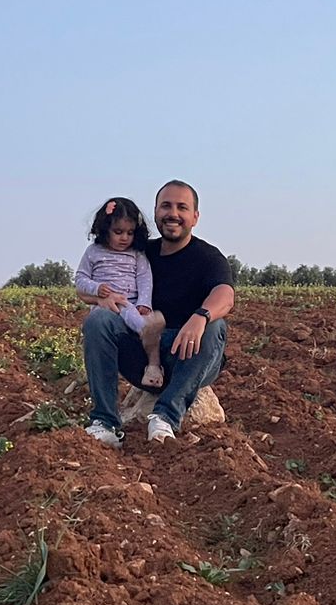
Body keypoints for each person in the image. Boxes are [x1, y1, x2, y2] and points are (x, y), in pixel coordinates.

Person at [82, 180, 234, 446]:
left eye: (182, 207)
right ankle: (105, 422)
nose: (172, 213)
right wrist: (100, 297)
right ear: (155, 212)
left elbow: (225, 295)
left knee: (214, 326)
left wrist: (200, 317)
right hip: (141, 355)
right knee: (98, 319)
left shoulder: (208, 257)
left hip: (188, 358)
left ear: (195, 217)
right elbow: (88, 282)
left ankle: (165, 416)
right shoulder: (138, 252)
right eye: (166, 206)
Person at [74, 197, 166, 390]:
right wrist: (97, 289)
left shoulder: (136, 254)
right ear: (104, 230)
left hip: (134, 303)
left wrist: (144, 303)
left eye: (130, 233)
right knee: (136, 318)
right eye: (118, 232)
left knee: (140, 320)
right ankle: (146, 334)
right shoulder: (93, 252)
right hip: (112, 305)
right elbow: (80, 280)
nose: (124, 238)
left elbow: (145, 279)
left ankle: (153, 365)